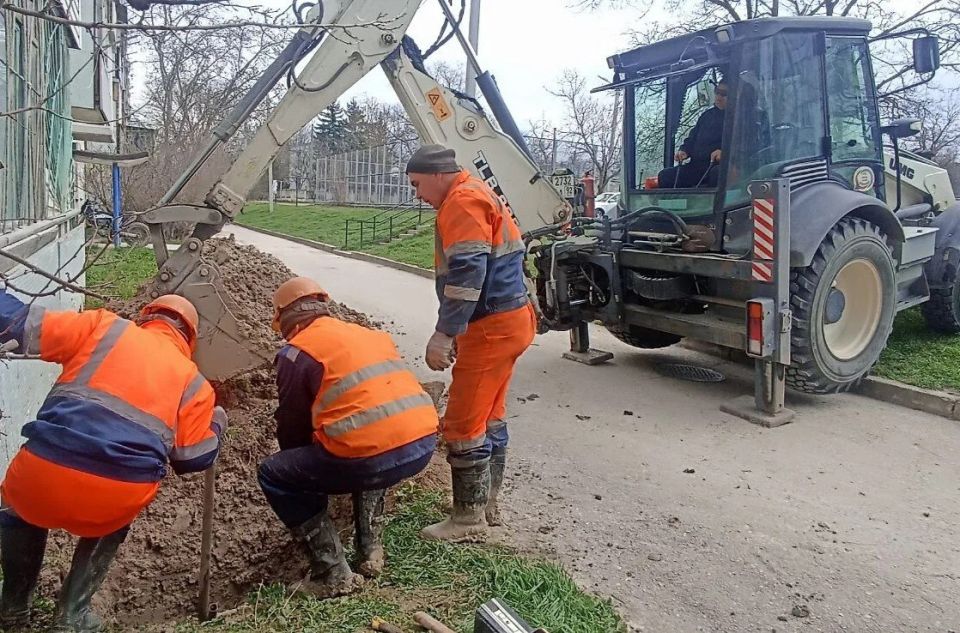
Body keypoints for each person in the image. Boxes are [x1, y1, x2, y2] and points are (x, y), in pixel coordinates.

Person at [0, 291, 225, 633]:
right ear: (190, 339)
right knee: (118, 512)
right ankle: (72, 615)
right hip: (112, 499)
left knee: (16, 505)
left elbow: (21, 324)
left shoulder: (103, 327)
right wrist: (218, 423)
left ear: (145, 317)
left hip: (41, 478)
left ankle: (14, 608)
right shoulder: (194, 381)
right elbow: (194, 458)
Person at [257, 277, 438, 597]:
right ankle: (371, 550)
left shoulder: (297, 353)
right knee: (369, 438)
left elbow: (293, 427)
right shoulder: (369, 335)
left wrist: (308, 478)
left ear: (284, 320)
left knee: (276, 474)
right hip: (421, 445)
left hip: (371, 456)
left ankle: (332, 573)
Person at [405, 144, 537, 543]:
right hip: (509, 320)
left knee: (462, 424)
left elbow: (467, 273)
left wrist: (445, 332)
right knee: (490, 416)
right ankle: (487, 504)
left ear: (438, 175)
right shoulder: (475, 192)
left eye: (417, 184)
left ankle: (468, 521)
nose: (416, 194)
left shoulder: (461, 201)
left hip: (493, 325)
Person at [658, 79, 727, 189]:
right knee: (665, 176)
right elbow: (692, 138)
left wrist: (726, 153)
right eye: (717, 92)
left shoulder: (740, 118)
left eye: (724, 94)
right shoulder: (707, 116)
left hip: (719, 167)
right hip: (696, 167)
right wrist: (684, 150)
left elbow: (746, 146)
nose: (719, 97)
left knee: (718, 173)